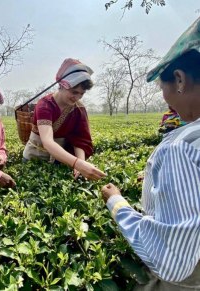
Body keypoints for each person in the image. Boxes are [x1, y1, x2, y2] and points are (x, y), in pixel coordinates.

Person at [101, 17, 200, 290]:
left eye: (162, 87)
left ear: (179, 79)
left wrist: (117, 203)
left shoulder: (180, 147)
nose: (165, 97)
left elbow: (172, 254)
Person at [22, 58, 106, 181]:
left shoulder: (78, 109)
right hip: (34, 158)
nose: (77, 97)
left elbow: (80, 140)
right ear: (61, 85)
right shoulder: (45, 105)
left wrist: (80, 164)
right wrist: (78, 164)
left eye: (81, 94)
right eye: (74, 92)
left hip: (61, 160)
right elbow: (48, 141)